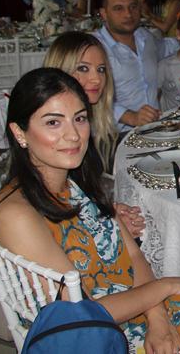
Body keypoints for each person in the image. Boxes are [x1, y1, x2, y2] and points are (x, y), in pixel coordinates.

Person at [0, 68, 180, 353]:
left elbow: (132, 254)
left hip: (136, 303)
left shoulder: (72, 183)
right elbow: (81, 313)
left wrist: (158, 318)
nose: (73, 135)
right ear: (19, 132)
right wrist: (166, 286)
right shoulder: (16, 215)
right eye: (53, 122)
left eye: (80, 119)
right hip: (97, 335)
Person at [43, 31, 145, 237]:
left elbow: (77, 193)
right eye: (83, 68)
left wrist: (106, 211)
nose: (96, 79)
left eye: (101, 69)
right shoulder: (56, 133)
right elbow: (51, 207)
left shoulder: (86, 124)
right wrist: (108, 223)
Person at [95, 0, 178, 130]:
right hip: (116, 135)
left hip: (156, 128)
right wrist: (130, 117)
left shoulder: (144, 37)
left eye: (133, 6)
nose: (128, 14)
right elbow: (88, 96)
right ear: (104, 14)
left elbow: (168, 46)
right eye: (118, 8)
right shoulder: (94, 49)